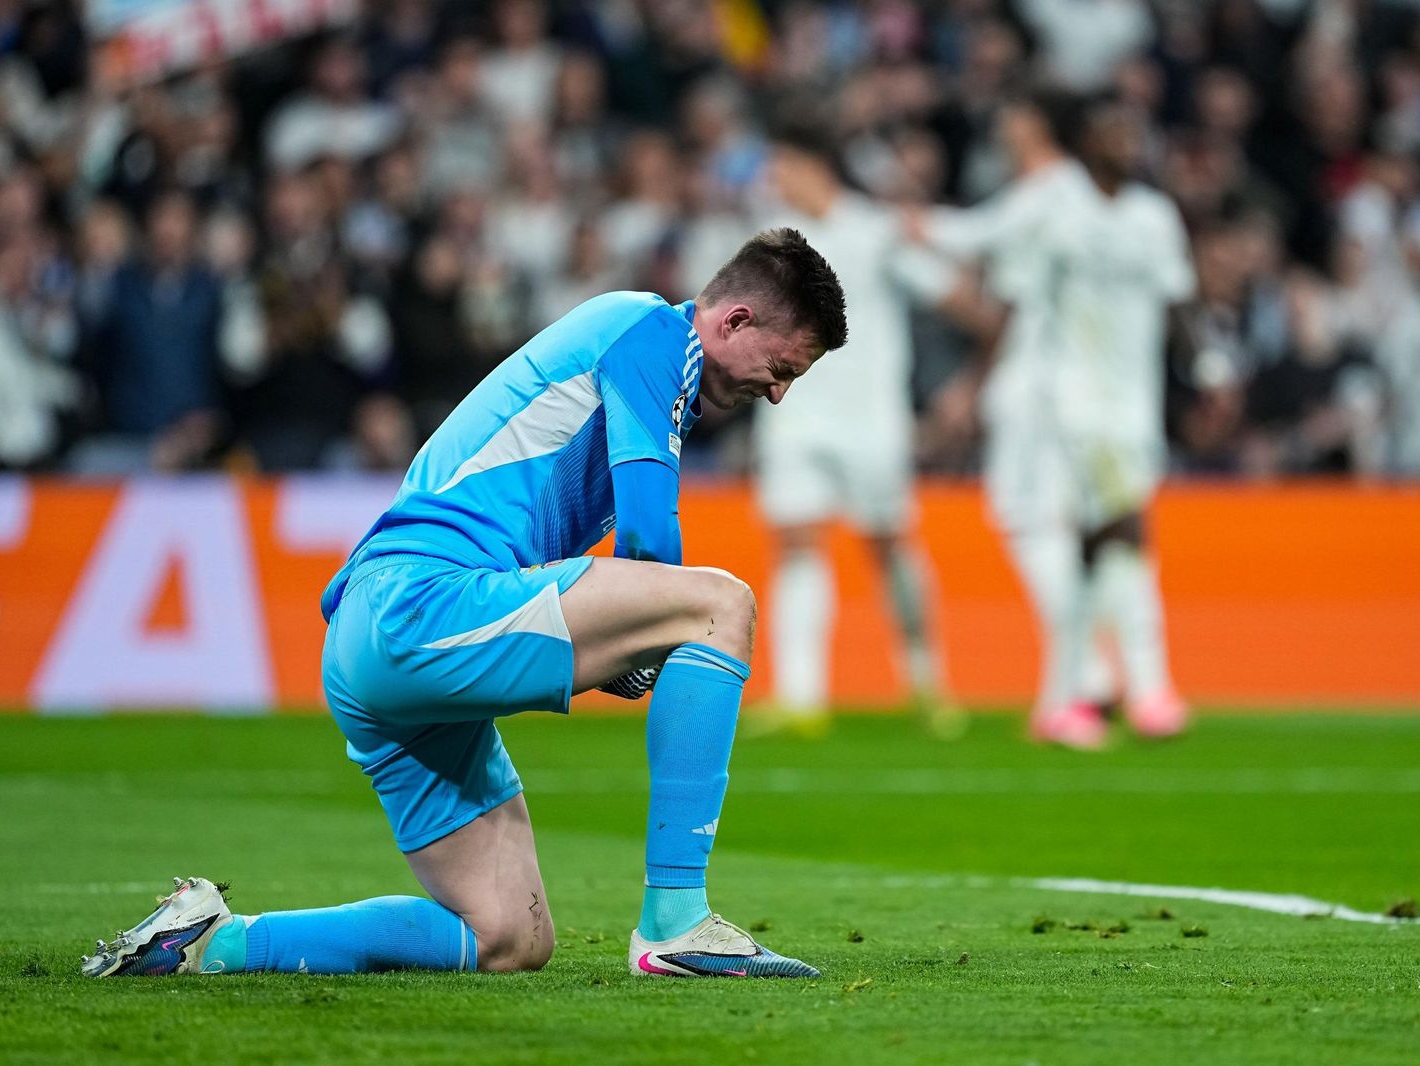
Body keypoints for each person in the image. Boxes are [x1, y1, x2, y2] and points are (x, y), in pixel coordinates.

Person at [80, 227, 846, 979]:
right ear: (733, 320)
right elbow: (649, 542)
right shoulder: (651, 331)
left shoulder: (639, 353)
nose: (779, 393)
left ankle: (211, 943)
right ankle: (676, 920)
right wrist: (646, 650)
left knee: (508, 935)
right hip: (421, 604)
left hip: (373, 641)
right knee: (720, 606)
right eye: (782, 367)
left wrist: (632, 645)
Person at [915, 90, 1192, 748]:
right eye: (1113, 130)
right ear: (1084, 141)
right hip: (1067, 404)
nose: (1128, 142)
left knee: (1084, 537)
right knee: (1098, 535)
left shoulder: (1150, 215)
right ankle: (1127, 686)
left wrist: (1202, 379)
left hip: (1117, 405)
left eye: (1132, 131)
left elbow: (1178, 305)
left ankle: (1101, 688)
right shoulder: (1055, 208)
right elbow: (1010, 292)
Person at [750, 123, 963, 737]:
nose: (774, 180)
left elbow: (952, 292)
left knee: (889, 544)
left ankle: (925, 680)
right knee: (796, 541)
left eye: (782, 166)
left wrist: (964, 384)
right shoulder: (769, 241)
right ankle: (801, 696)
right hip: (794, 414)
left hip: (871, 419)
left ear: (814, 166)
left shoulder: (876, 231)